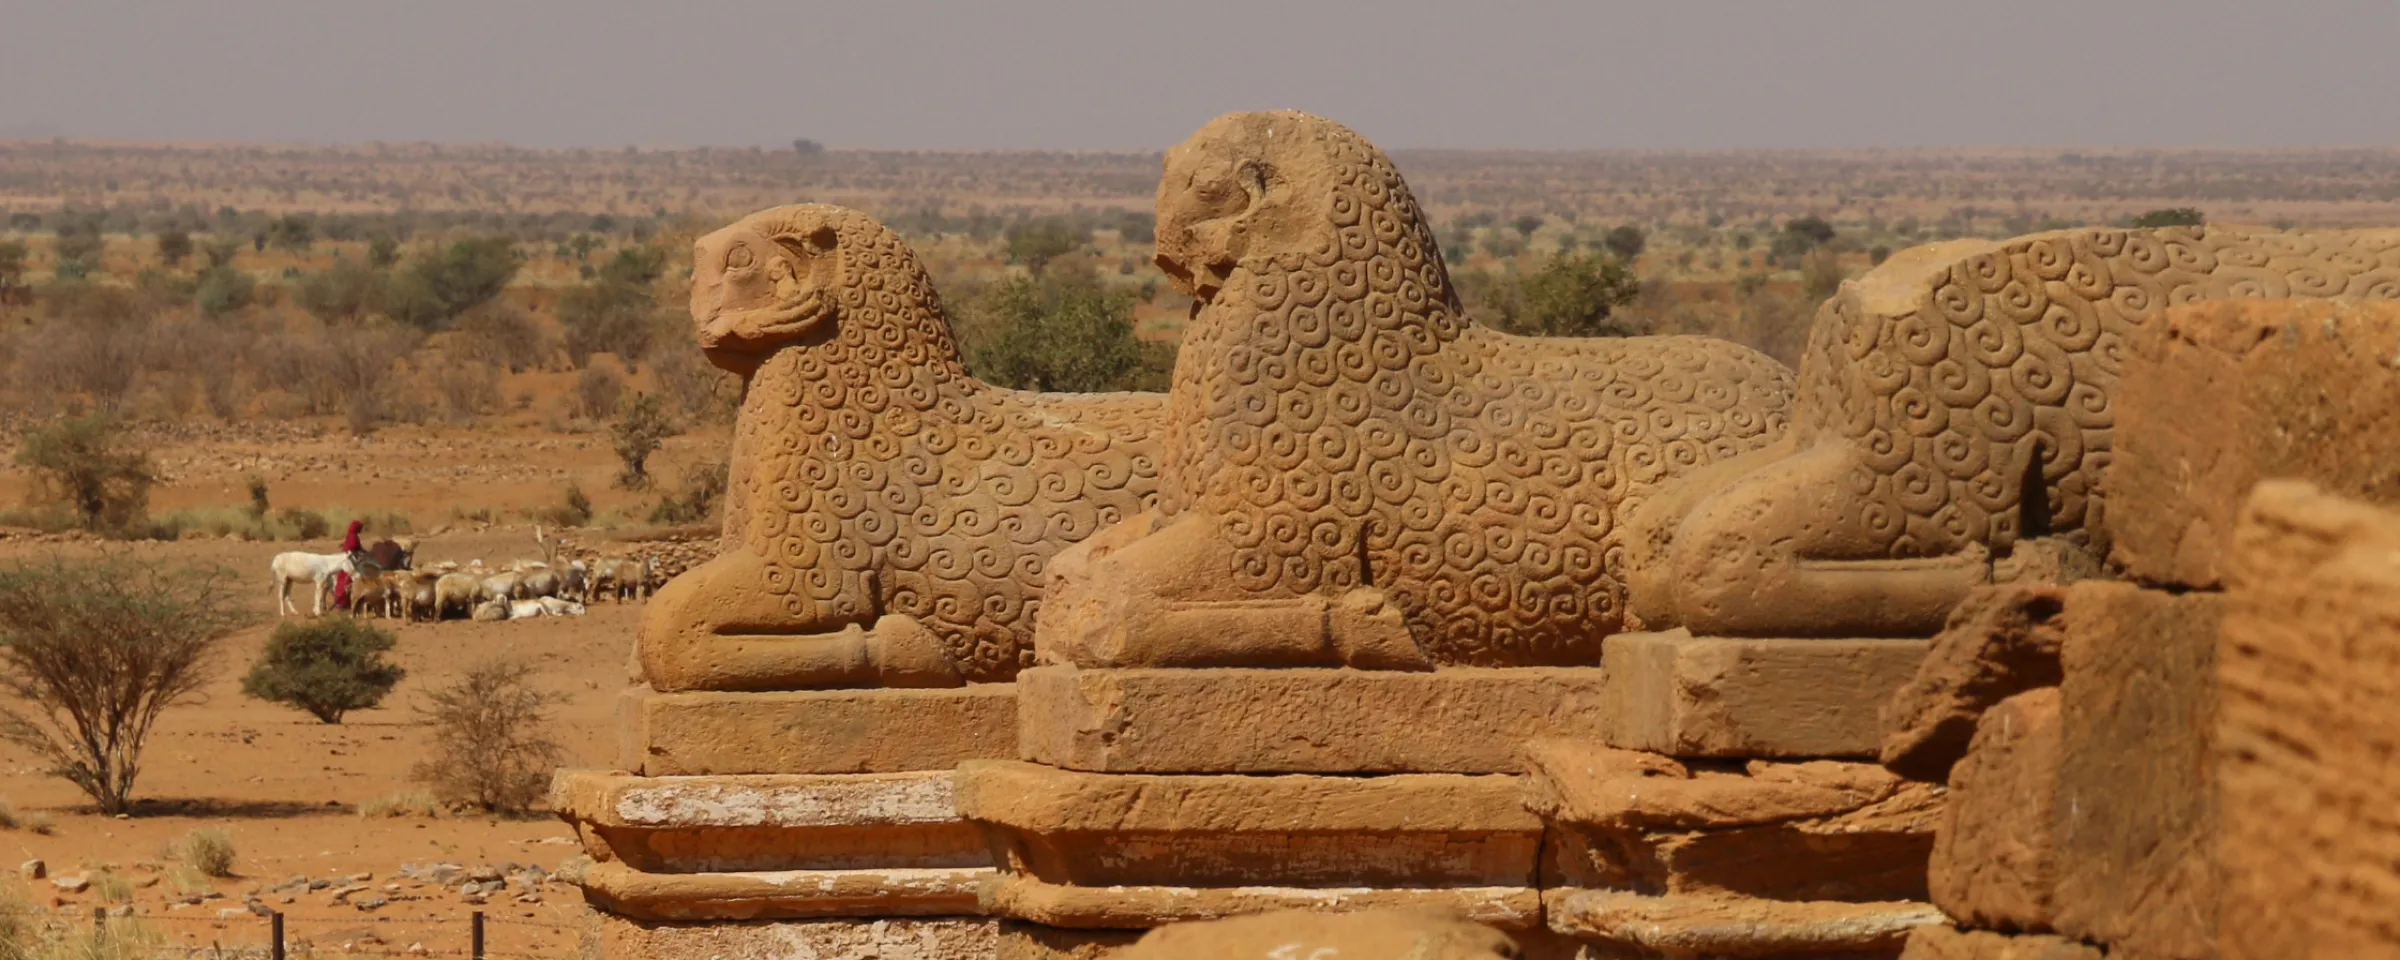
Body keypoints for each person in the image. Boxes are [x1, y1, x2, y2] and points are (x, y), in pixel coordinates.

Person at [331, 520, 365, 610]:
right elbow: (353, 549)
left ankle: (343, 603)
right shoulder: (353, 537)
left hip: (346, 559)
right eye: (360, 528)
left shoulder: (351, 536)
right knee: (352, 579)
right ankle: (345, 602)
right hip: (349, 561)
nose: (361, 530)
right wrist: (362, 555)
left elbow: (357, 548)